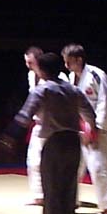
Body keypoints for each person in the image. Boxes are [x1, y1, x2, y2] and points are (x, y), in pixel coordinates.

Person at [0, 52, 96, 214]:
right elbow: (90, 114)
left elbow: (24, 116)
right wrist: (90, 131)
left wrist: (9, 137)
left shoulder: (43, 90)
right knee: (68, 193)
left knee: (52, 193)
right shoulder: (73, 90)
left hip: (54, 141)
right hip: (74, 142)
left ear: (42, 70)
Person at [62, 43, 107, 214]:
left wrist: (97, 127)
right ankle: (71, 201)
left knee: (98, 167)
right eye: (65, 62)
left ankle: (106, 207)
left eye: (69, 61)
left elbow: (106, 101)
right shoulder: (70, 78)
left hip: (95, 127)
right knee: (73, 167)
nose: (66, 65)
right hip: (76, 127)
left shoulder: (96, 75)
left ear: (79, 59)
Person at [24, 47, 69, 205]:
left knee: (57, 163)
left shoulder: (60, 77)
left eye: (30, 62)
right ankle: (39, 195)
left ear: (39, 61)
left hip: (57, 125)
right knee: (33, 160)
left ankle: (61, 195)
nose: (28, 65)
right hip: (39, 123)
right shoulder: (31, 75)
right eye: (26, 62)